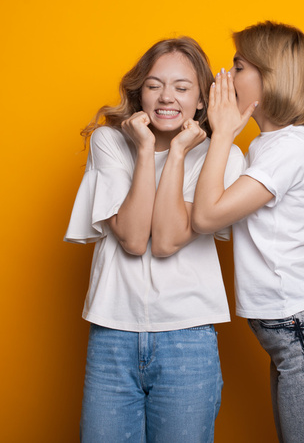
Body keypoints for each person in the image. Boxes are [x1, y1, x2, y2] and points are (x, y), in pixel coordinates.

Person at [64, 37, 245, 443]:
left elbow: (164, 240)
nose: (167, 97)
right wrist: (146, 150)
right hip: (113, 334)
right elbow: (131, 237)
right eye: (154, 85)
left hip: (189, 337)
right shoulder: (109, 142)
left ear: (201, 99)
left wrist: (179, 152)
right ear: (139, 92)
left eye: (182, 88)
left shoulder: (223, 157)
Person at [192, 21, 304, 442]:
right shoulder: (267, 146)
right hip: (296, 332)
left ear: (271, 77)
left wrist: (223, 132)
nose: (224, 77)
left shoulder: (291, 146)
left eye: (238, 66)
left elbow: (207, 216)